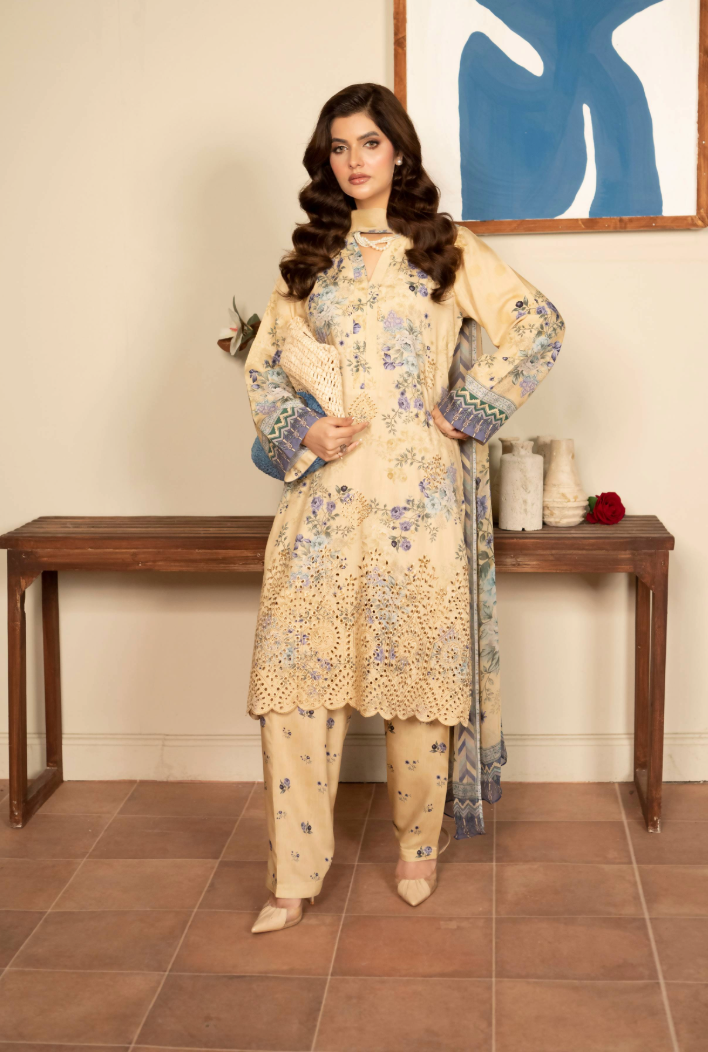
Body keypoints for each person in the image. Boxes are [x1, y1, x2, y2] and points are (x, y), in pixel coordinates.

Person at [244, 83, 565, 933]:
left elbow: (538, 325)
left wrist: (470, 408)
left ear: (399, 151)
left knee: (419, 684)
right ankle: (293, 877)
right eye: (339, 147)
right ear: (325, 160)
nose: (354, 161)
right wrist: (303, 429)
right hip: (321, 506)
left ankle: (418, 848)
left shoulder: (446, 251)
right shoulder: (308, 261)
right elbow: (266, 367)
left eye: (370, 144)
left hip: (417, 505)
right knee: (295, 686)